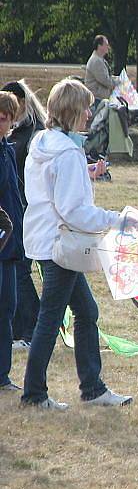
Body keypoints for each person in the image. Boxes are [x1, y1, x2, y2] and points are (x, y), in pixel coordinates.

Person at [20, 78, 134, 409]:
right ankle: (36, 393)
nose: (89, 113)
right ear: (72, 111)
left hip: (46, 240)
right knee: (52, 317)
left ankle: (92, 388)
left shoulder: (44, 142)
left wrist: (86, 172)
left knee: (86, 311)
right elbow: (74, 211)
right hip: (61, 245)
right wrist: (116, 219)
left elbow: (54, 188)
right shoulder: (66, 152)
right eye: (85, 107)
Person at [1, 80, 45, 350]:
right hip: (14, 211)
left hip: (23, 209)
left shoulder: (30, 133)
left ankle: (31, 328)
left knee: (20, 270)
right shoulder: (14, 137)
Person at [0, 91, 25, 391]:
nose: (2, 124)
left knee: (8, 308)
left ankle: (2, 374)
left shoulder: (8, 149)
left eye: (6, 119)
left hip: (11, 245)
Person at [84, 35, 118, 108]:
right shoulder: (96, 61)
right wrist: (119, 83)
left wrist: (118, 78)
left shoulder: (100, 59)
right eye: (106, 45)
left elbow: (107, 77)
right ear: (99, 46)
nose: (108, 47)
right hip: (97, 100)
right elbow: (105, 81)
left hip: (100, 99)